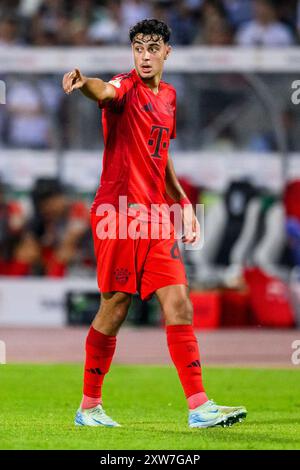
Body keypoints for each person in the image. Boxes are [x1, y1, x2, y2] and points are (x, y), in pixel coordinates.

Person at [62, 18, 247, 429]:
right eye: (138, 48)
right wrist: (81, 80)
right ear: (133, 52)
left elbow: (158, 156)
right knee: (115, 306)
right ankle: (89, 407)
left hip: (156, 215)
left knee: (179, 302)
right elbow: (103, 90)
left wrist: (180, 199)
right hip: (118, 213)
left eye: (153, 48)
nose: (145, 56)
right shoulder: (123, 86)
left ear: (167, 52)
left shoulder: (170, 96)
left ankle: (199, 407)